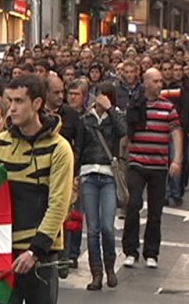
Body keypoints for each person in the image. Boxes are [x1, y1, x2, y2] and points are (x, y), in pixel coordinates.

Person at [0, 74, 74, 304]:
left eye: (19, 101)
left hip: (41, 256)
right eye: (10, 101)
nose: (11, 108)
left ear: (37, 104)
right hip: (5, 253)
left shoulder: (59, 148)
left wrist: (35, 251)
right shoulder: (1, 142)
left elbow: (58, 205)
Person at [122, 68, 183, 269]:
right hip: (137, 164)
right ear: (146, 83)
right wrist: (122, 156)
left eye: (160, 81)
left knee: (155, 212)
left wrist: (177, 159)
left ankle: (151, 252)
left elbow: (176, 133)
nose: (160, 84)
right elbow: (126, 133)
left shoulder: (168, 107)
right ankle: (130, 250)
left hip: (159, 167)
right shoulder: (136, 106)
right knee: (133, 205)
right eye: (155, 81)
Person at [77, 82, 127, 290]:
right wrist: (76, 175)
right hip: (89, 174)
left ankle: (110, 268)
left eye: (106, 96)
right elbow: (79, 147)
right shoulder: (85, 120)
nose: (101, 99)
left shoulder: (115, 118)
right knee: (93, 229)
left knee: (107, 227)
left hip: (107, 175)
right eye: (99, 95)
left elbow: (123, 131)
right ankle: (96, 273)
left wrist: (110, 109)